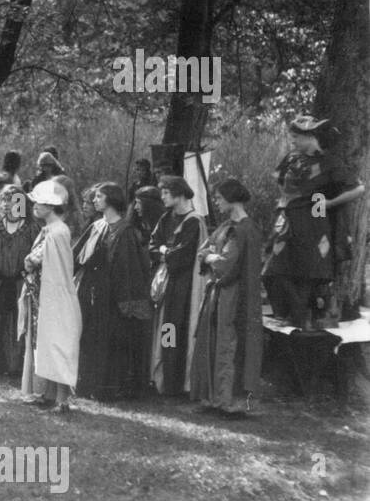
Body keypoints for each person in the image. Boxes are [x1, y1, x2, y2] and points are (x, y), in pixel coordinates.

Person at [262, 116, 365, 329]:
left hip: (315, 220)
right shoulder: (291, 158)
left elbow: (358, 188)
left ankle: (301, 323)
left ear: (311, 137)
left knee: (309, 273)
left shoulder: (330, 161)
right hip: (288, 218)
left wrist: (329, 202)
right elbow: (279, 180)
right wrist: (287, 201)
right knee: (273, 270)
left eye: (297, 136)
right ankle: (287, 313)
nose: (293, 140)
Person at [74, 183, 153, 401]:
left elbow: (128, 270)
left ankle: (106, 389)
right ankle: (87, 384)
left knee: (110, 343)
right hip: (91, 294)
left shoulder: (125, 231)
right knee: (90, 339)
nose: (94, 200)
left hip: (113, 299)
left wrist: (124, 303)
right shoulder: (97, 226)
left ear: (111, 200)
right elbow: (77, 256)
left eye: (99, 196)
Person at [192, 179, 264, 415]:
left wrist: (212, 258)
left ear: (232, 199)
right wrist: (210, 256)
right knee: (216, 340)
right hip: (223, 294)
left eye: (220, 197)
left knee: (229, 344)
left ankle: (228, 401)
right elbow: (204, 249)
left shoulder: (244, 229)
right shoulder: (226, 226)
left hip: (235, 297)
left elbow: (224, 264)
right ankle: (215, 398)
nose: (216, 201)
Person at [20, 180, 82, 412]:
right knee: (45, 344)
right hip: (42, 294)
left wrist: (31, 262)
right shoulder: (50, 230)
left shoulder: (57, 232)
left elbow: (56, 268)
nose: (35, 205)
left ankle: (61, 399)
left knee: (57, 343)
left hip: (53, 296)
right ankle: (47, 393)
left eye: (40, 202)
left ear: (51, 205)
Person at [149, 175, 206, 397]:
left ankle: (176, 382)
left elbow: (182, 256)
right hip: (167, 284)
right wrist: (164, 251)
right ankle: (164, 377)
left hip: (184, 287)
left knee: (176, 330)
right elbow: (153, 246)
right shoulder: (166, 217)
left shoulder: (193, 221)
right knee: (166, 329)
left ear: (179, 193)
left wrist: (164, 251)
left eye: (165, 192)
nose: (162, 196)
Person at [0, 182, 39, 376]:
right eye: (4, 200)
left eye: (12, 200)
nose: (7, 205)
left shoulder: (31, 228)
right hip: (0, 281)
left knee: (19, 321)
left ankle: (15, 365)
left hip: (21, 283)